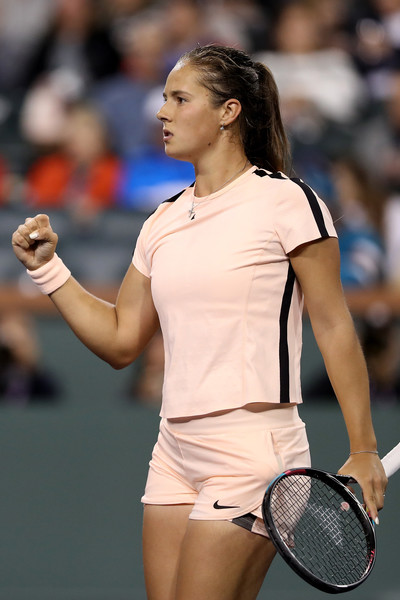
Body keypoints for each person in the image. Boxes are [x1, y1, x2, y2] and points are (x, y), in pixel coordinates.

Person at [11, 44, 387, 600]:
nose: (160, 112)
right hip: (173, 446)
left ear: (228, 112)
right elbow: (120, 341)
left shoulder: (288, 202)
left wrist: (363, 447)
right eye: (163, 98)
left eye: (179, 99)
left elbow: (333, 326)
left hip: (255, 448)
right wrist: (49, 272)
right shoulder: (160, 221)